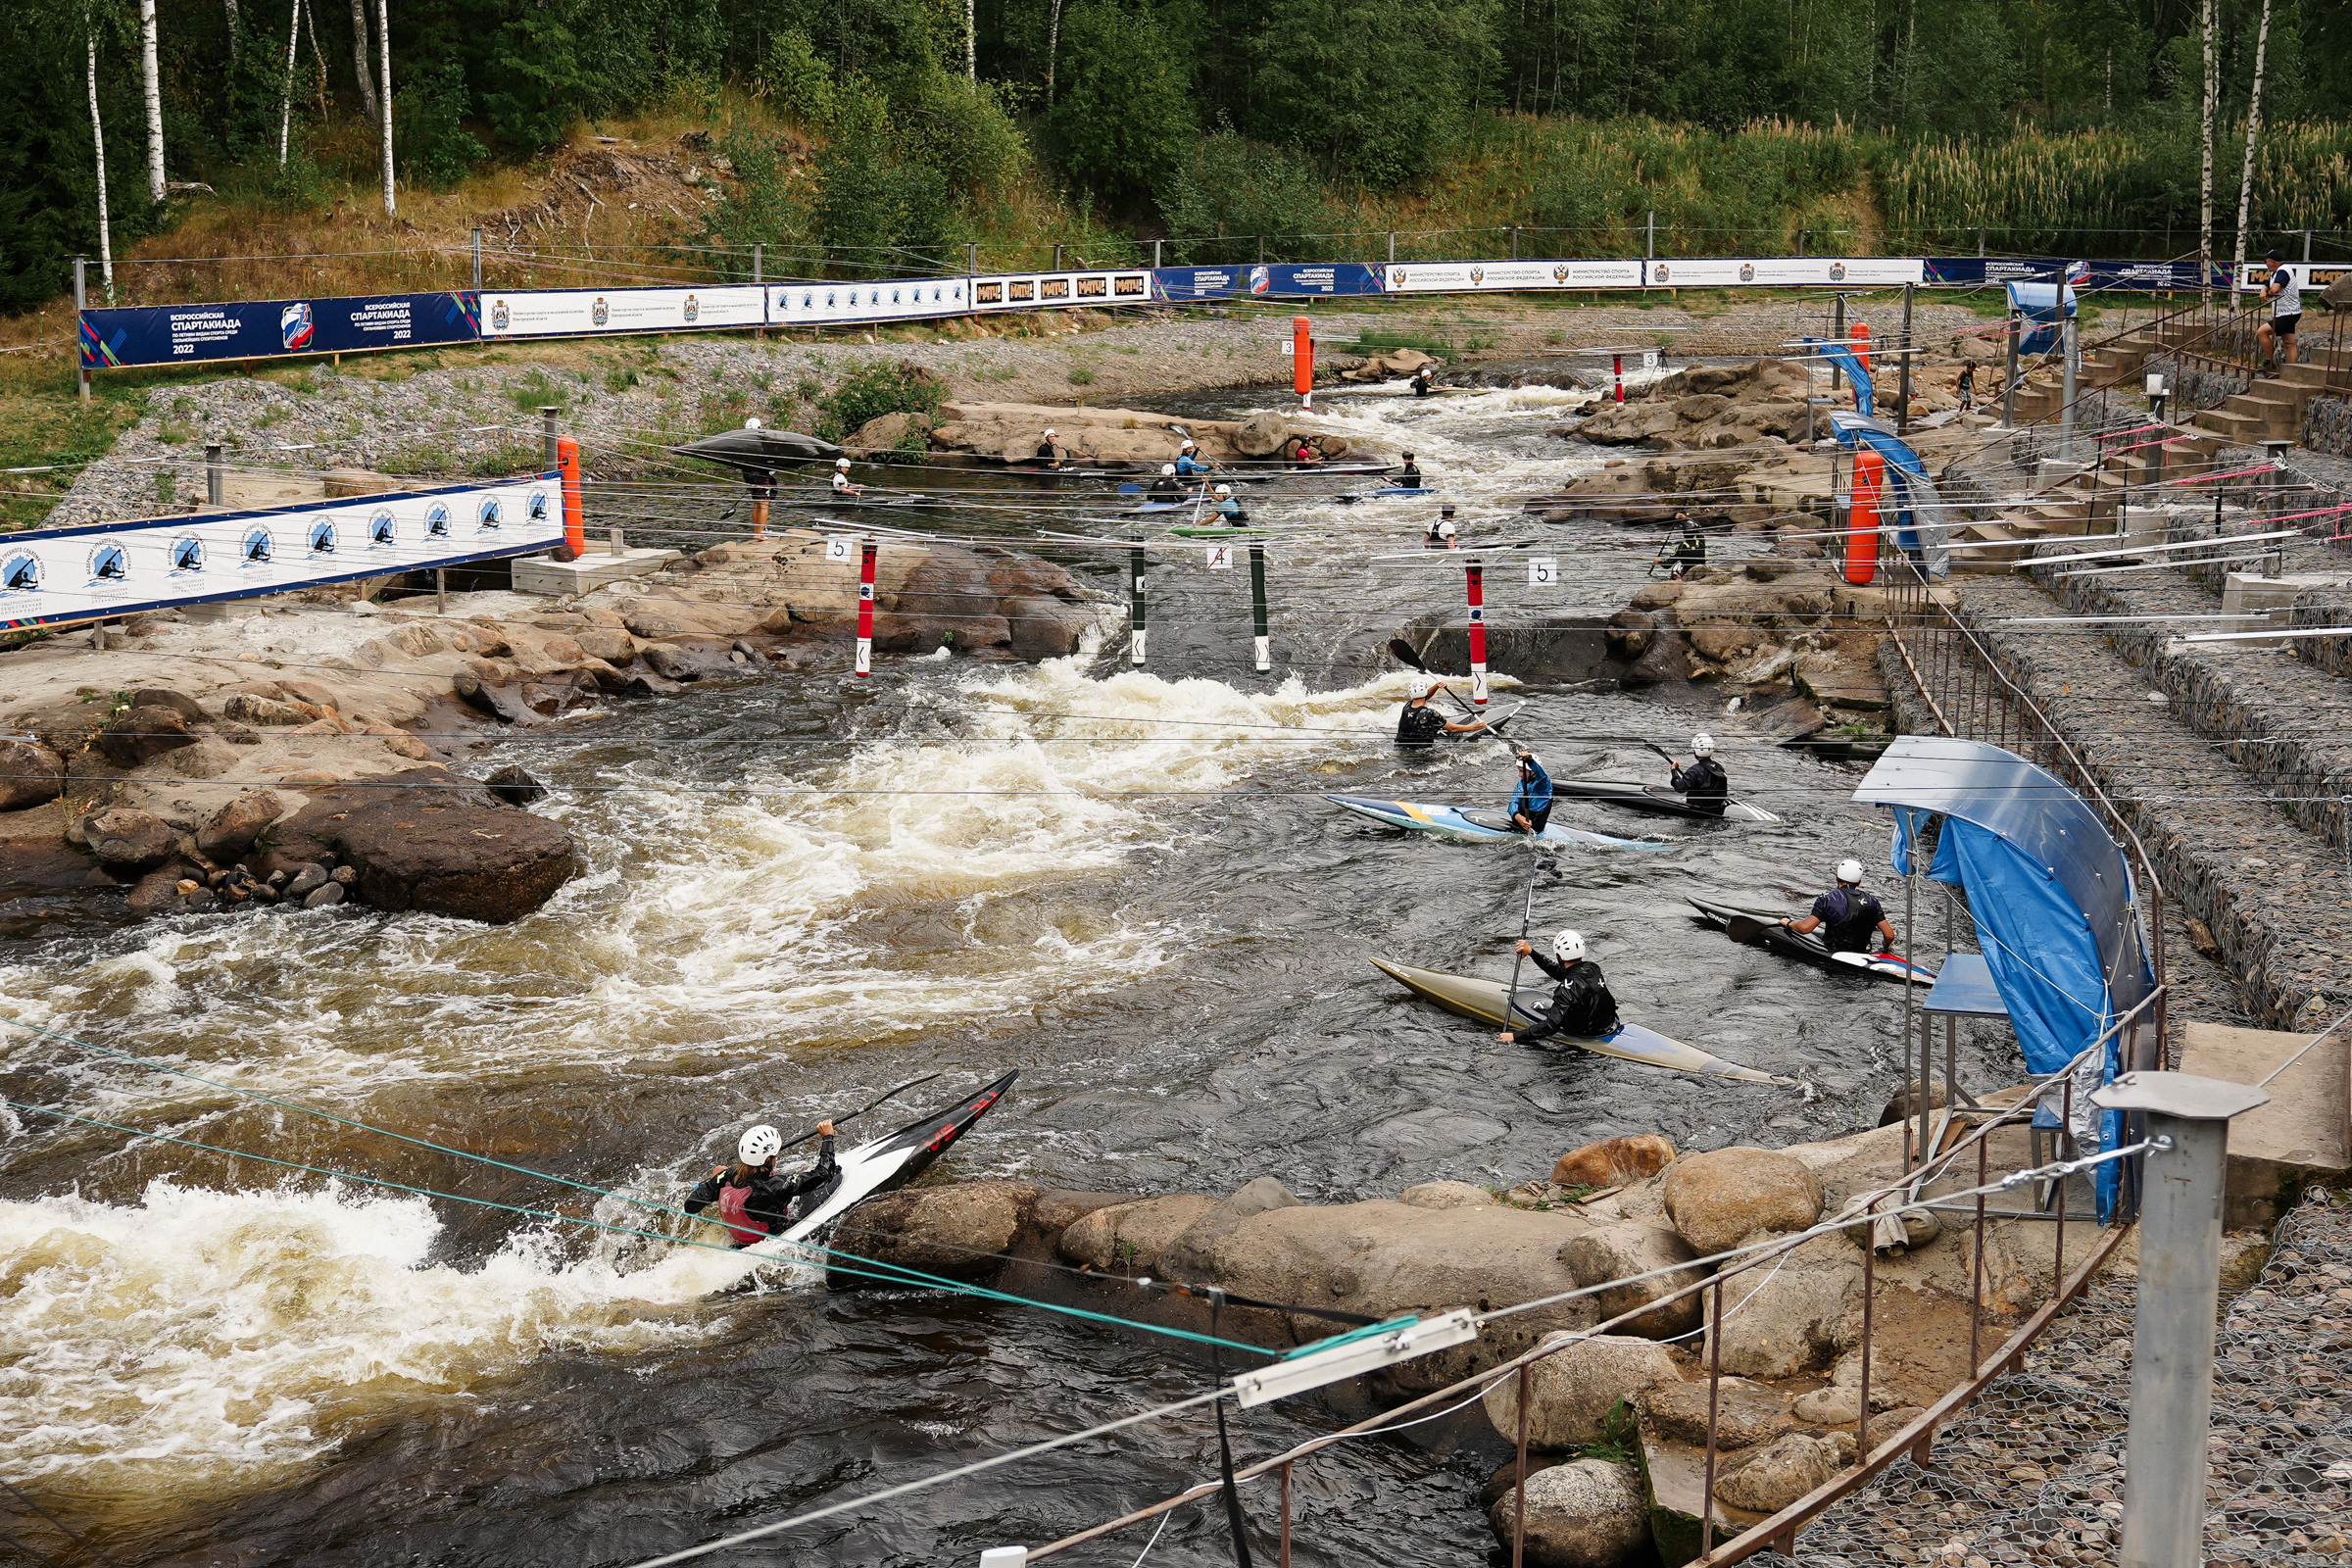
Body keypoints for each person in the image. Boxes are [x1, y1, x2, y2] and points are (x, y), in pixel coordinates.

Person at [686, 1120, 839, 1248]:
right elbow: (824, 1175)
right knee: (832, 1178)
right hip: (768, 1240)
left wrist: (714, 1182)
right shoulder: (776, 1186)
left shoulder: (727, 1176)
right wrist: (828, 1138)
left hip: (739, 1242)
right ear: (768, 1159)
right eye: (775, 1155)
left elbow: (690, 1206)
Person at [1498, 929, 1620, 1044]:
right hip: (1607, 1023)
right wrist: (1531, 952)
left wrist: (1515, 1036)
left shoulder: (1565, 990)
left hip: (1585, 1031)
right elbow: (1560, 973)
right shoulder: (1593, 968)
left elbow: (1551, 1026)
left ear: (1559, 957)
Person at [1784, 858, 1897, 956]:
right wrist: (1885, 948)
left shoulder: (1827, 898)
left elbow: (1805, 929)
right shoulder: (1872, 901)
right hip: (1861, 952)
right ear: (1859, 882)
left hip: (1833, 951)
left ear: (1837, 877)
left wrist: (1790, 923)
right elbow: (1889, 935)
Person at [1396, 679, 1491, 748]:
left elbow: (1423, 696)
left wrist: (1437, 686)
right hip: (1422, 754)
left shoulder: (1407, 706)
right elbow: (1453, 729)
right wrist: (1474, 727)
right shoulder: (1430, 713)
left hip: (1401, 748)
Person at [2257, 249, 2300, 376]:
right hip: (2287, 313)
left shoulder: (2283, 271)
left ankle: (2269, 362)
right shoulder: (2275, 273)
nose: (2265, 263)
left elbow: (2275, 288)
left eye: (2266, 261)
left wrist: (2269, 292)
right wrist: (2264, 290)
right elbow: (2267, 284)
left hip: (2288, 313)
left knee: (2262, 332)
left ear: (2272, 262)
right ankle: (2293, 372)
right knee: (2289, 342)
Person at [1669, 733, 1728, 816]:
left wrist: (1674, 770)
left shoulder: (1694, 771)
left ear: (1696, 751)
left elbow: (1679, 788)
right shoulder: (1719, 767)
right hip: (1716, 807)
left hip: (1698, 810)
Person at [1508, 748, 1553, 835]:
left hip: (1535, 830)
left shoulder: (1544, 785)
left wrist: (1529, 760)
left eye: (1522, 771)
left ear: (1533, 771)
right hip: (1518, 825)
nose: (1519, 775)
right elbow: (1513, 803)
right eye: (1519, 771)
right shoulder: (1522, 783)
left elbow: (1542, 776)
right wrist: (1517, 816)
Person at [1657, 511, 1705, 579]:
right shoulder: (1701, 543)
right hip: (1701, 572)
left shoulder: (1682, 547)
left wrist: (1659, 561)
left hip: (1688, 575)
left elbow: (1667, 565)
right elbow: (1699, 527)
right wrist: (1686, 518)